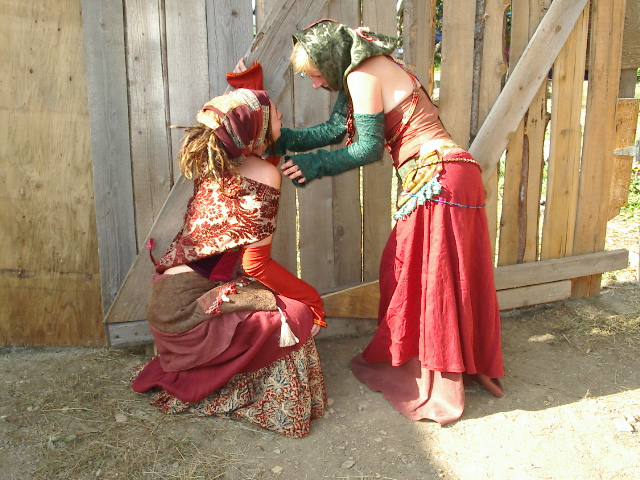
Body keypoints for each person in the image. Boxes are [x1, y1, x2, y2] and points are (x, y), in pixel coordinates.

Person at [272, 19, 504, 425]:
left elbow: (367, 148)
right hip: (454, 172)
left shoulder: (361, 74)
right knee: (437, 275)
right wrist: (278, 138)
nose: (315, 83)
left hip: (436, 178)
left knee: (423, 277)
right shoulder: (367, 68)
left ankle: (435, 377)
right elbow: (334, 129)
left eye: (315, 74)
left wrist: (313, 164)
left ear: (331, 59)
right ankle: (455, 363)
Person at [130, 88, 327, 438]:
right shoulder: (263, 173)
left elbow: (242, 119)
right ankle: (243, 394)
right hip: (188, 314)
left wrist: (246, 83)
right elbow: (256, 265)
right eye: (275, 112)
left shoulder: (216, 160)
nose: (281, 115)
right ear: (255, 127)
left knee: (279, 303)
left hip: (166, 304)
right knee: (297, 314)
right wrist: (313, 300)